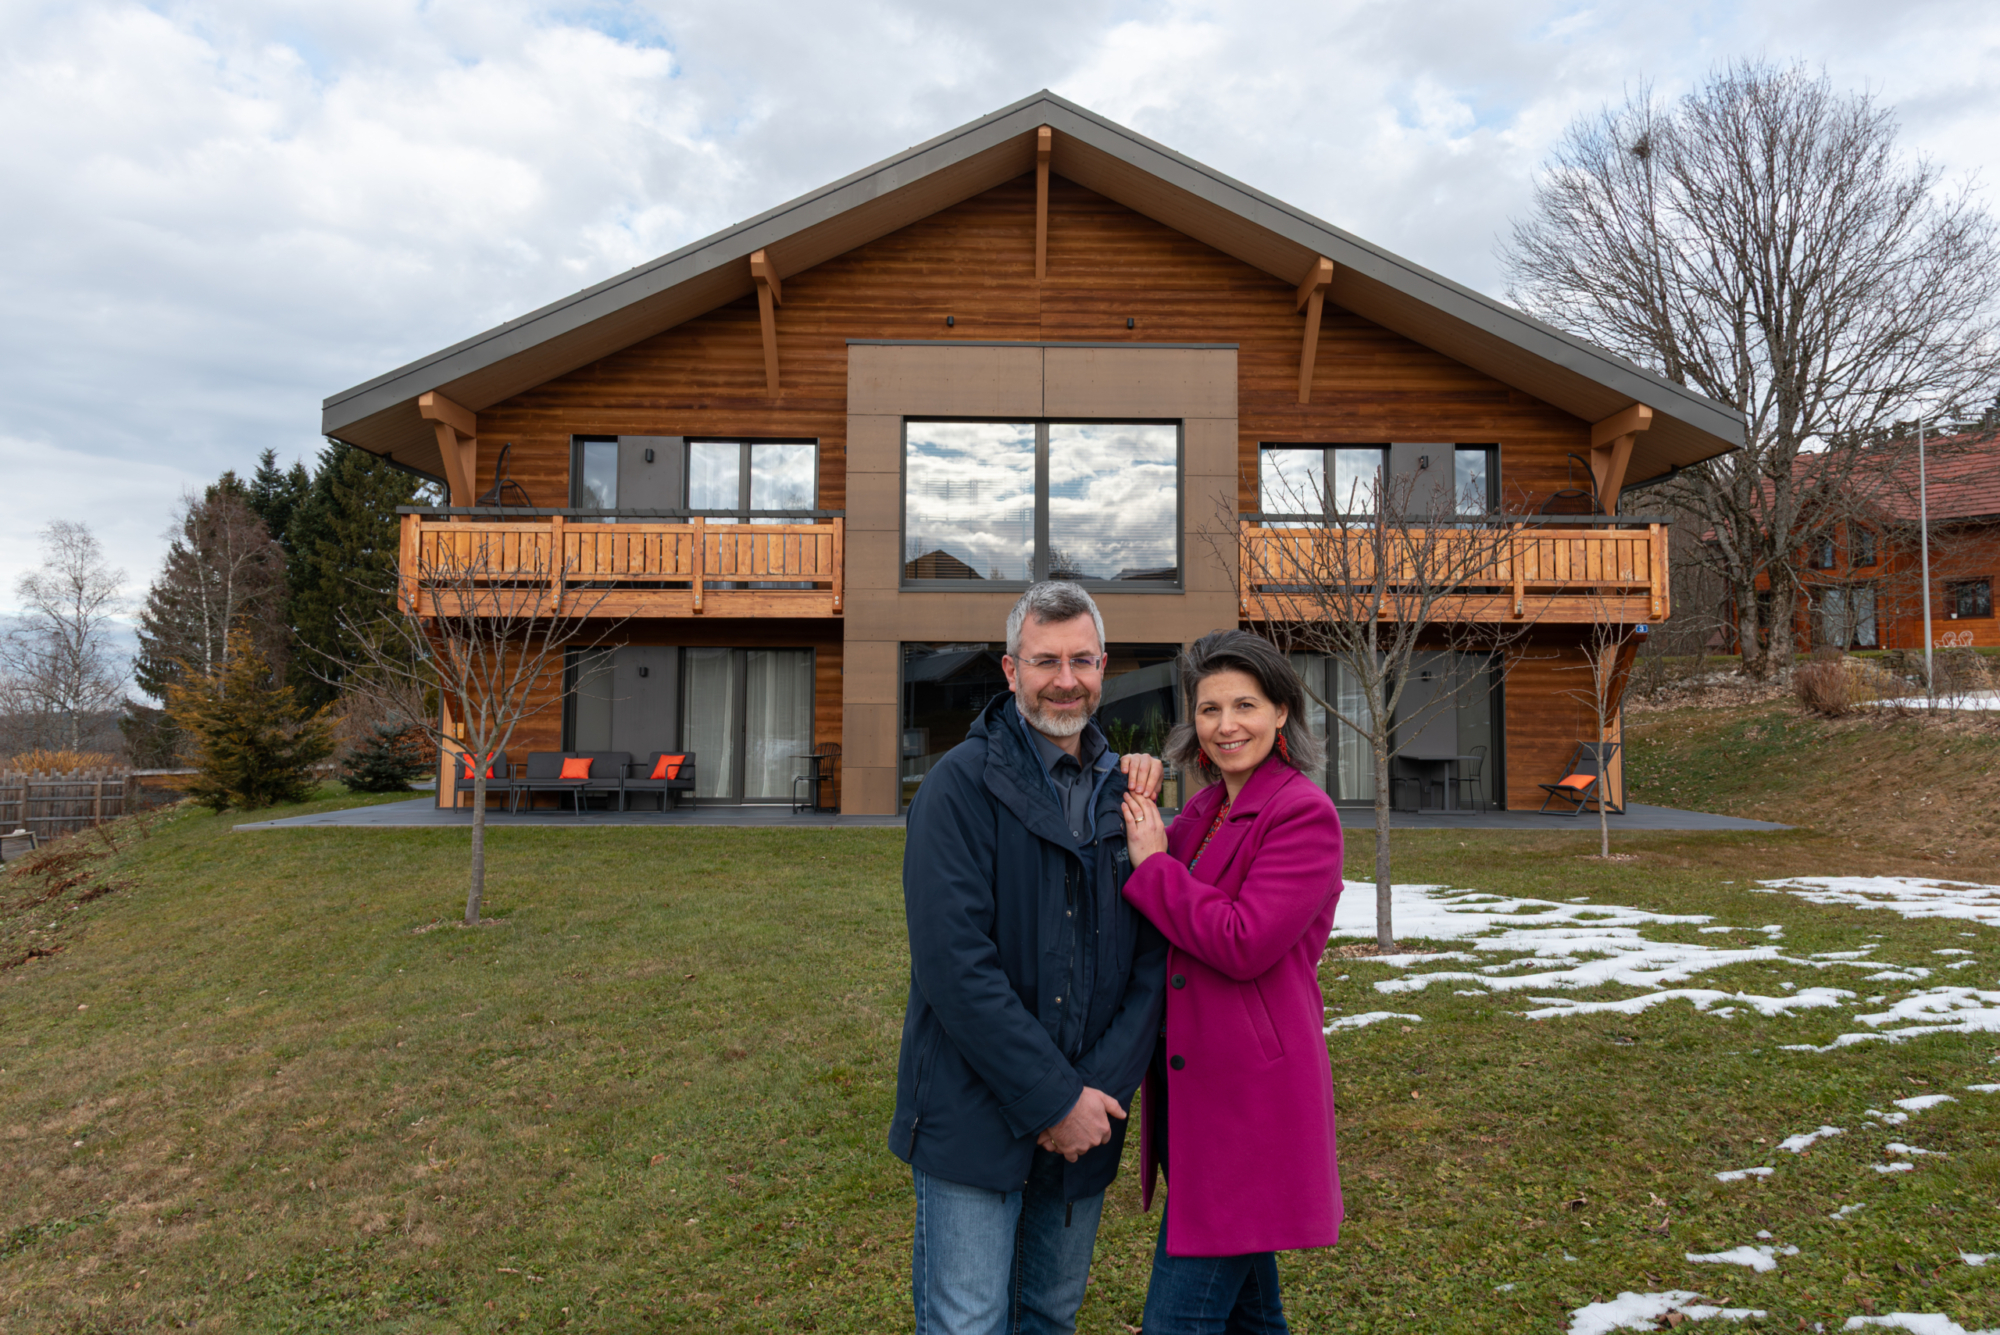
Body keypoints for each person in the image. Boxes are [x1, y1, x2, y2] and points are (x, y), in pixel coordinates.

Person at [890, 582, 1169, 1335]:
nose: (1065, 678)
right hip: (974, 1111)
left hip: (1089, 1117)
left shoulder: (1128, 798)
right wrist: (1054, 1101)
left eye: (1082, 659)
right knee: (968, 1321)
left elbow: (1152, 961)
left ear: (1104, 666)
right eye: (1045, 660)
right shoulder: (957, 788)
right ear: (1011, 671)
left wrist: (1096, 1094)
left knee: (1049, 1314)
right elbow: (955, 966)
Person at [1116, 629, 1345, 1334]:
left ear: (1282, 711)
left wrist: (1156, 866)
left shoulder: (1303, 812)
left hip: (1249, 1103)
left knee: (1178, 1319)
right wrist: (1130, 776)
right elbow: (1146, 847)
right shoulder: (1208, 810)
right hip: (1205, 1097)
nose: (1225, 725)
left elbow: (1245, 939)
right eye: (1209, 709)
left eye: (1244, 704)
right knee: (1251, 1315)